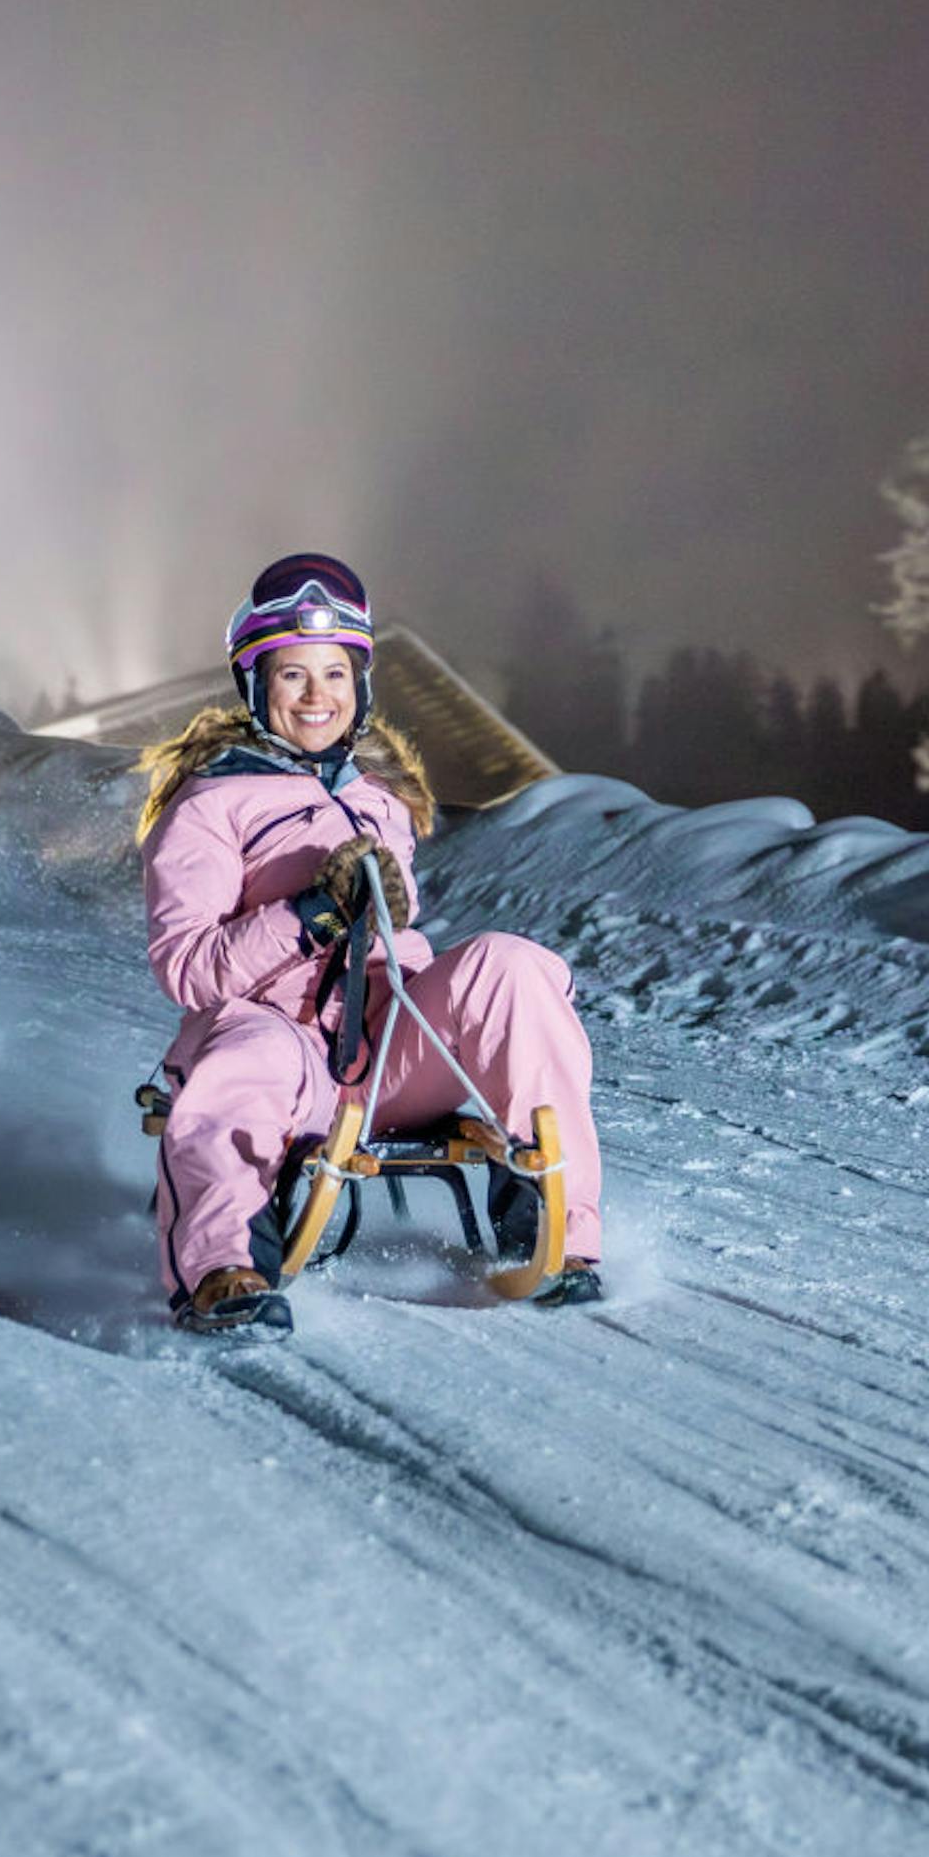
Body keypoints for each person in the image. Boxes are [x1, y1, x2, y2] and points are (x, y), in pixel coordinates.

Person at [133, 553, 605, 1332]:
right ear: (257, 685)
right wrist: (314, 910)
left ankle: (556, 1231)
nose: (318, 696)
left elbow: (398, 921)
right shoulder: (210, 806)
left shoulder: (377, 800)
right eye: (292, 676)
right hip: (276, 1041)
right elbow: (187, 968)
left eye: (336, 675)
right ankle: (222, 1268)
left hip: (388, 1051)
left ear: (362, 688)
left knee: (511, 966)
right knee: (241, 1062)